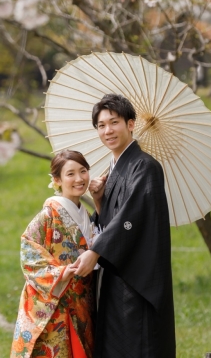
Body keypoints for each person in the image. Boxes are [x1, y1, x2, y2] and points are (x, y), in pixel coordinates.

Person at [70, 94, 176, 358]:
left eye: (114, 122)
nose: (108, 130)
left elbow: (133, 218)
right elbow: (112, 220)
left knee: (137, 346)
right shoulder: (115, 168)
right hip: (117, 275)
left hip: (138, 281)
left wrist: (96, 251)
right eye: (101, 125)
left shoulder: (146, 167)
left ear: (130, 124)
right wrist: (99, 201)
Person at [10, 150, 96, 358]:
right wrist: (61, 273)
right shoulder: (48, 215)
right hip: (58, 303)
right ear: (57, 180)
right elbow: (29, 254)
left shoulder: (84, 214)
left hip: (82, 302)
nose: (79, 179)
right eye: (70, 174)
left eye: (83, 171)